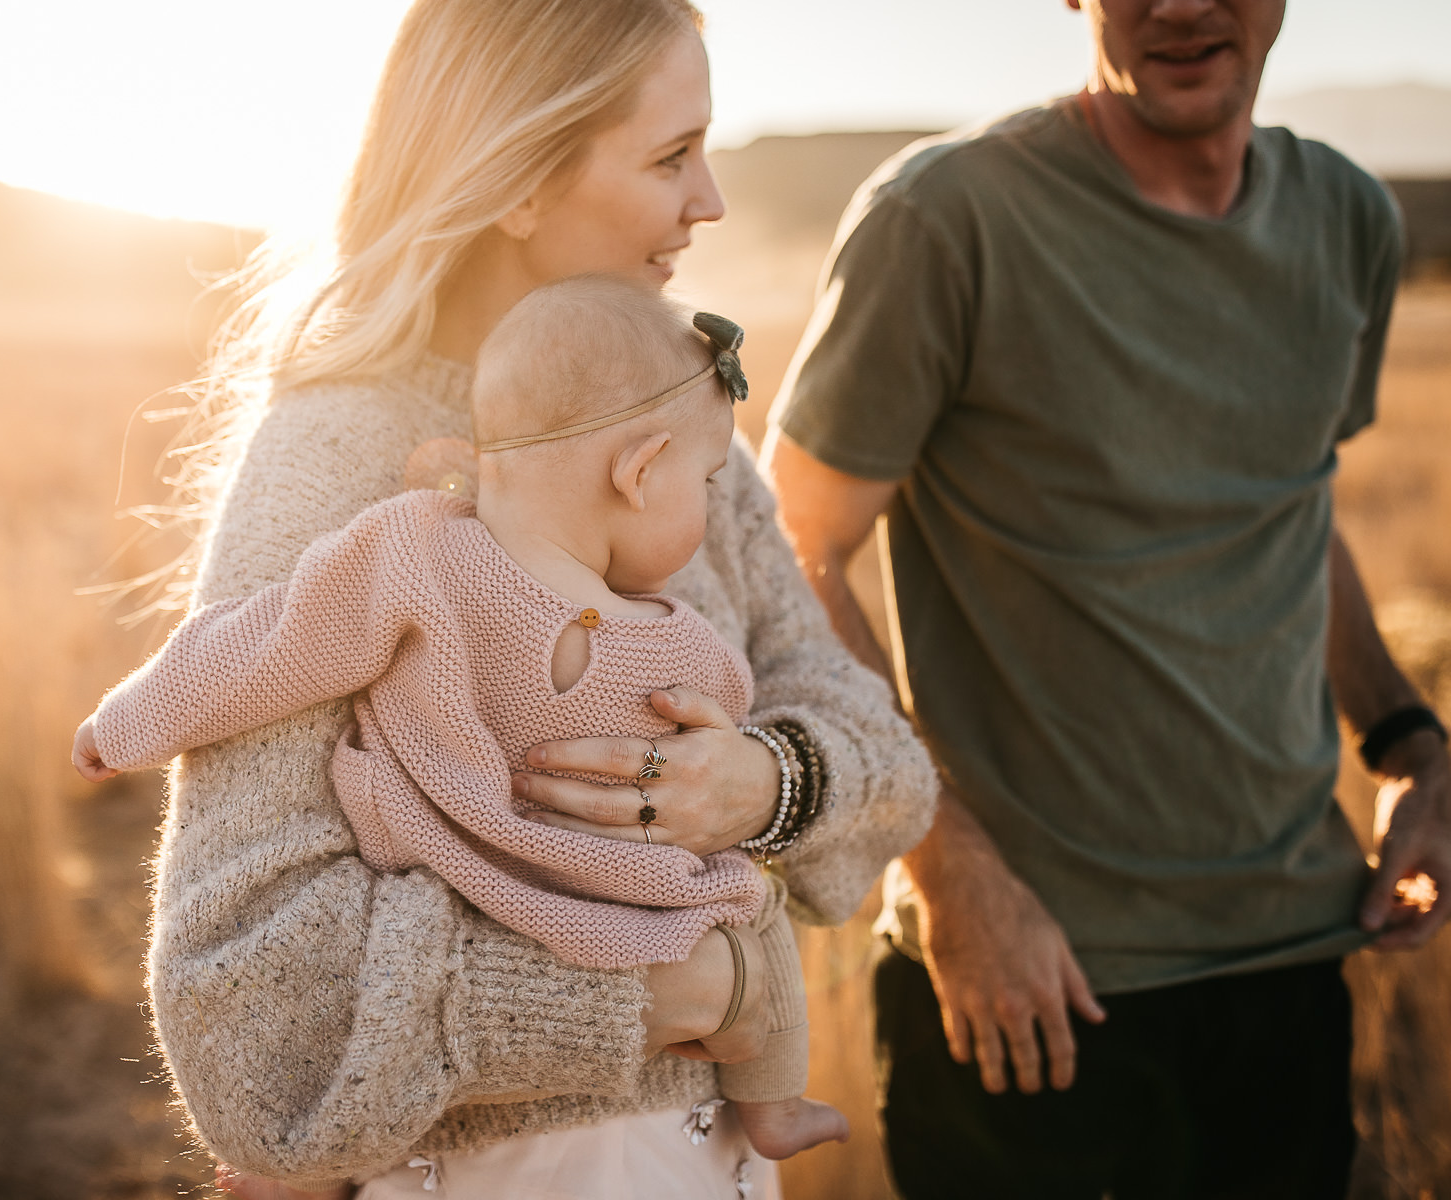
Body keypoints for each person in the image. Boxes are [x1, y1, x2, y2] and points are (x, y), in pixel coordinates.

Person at [126, 3, 937, 1197]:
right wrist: (692, 985)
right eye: (670, 156)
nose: (708, 200)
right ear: (515, 176)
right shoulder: (335, 458)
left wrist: (762, 784)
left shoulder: (684, 432)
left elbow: (891, 770)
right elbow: (247, 1013)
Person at [762, 0, 1451, 1196]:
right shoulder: (945, 217)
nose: (1179, 5)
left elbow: (1291, 505)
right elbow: (791, 550)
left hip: (1286, 958)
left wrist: (1405, 744)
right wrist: (952, 874)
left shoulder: (1348, 219)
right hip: (1023, 991)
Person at [74, 276, 856, 1164]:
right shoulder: (692, 656)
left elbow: (262, 650)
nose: (712, 508)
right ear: (637, 475)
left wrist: (125, 723)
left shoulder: (415, 551)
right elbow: (720, 785)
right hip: (641, 929)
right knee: (755, 912)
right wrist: (753, 771)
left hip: (464, 891)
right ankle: (776, 1107)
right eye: (705, 483)